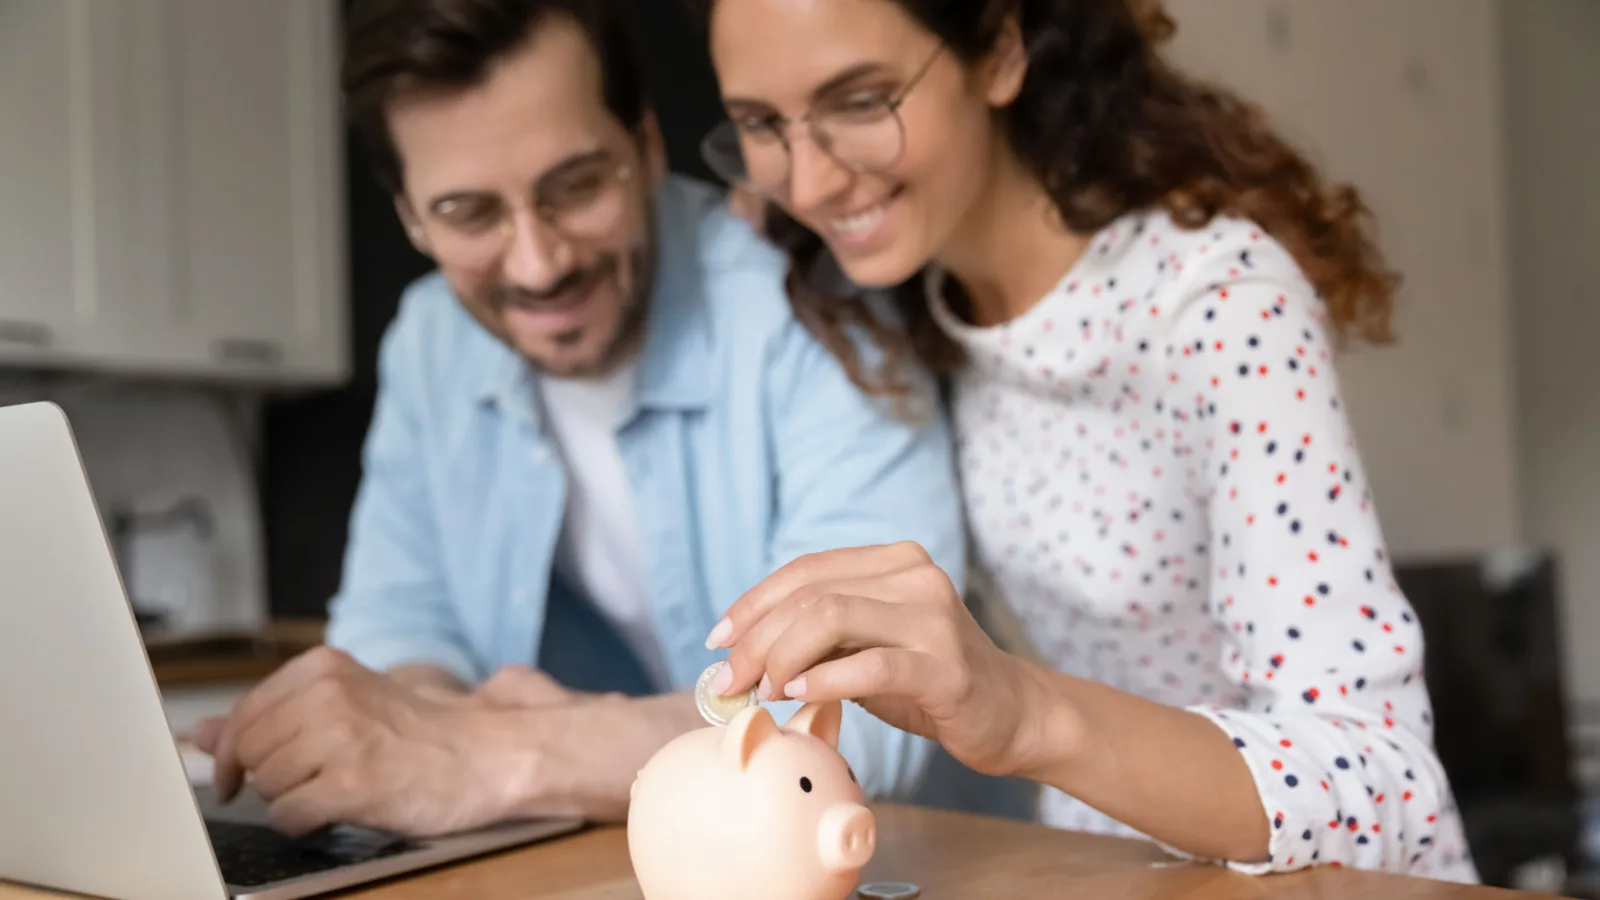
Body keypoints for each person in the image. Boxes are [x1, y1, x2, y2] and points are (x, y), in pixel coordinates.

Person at [693, 0, 1479, 883]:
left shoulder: (1216, 306)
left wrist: (1027, 712)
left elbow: (1388, 780)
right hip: (1105, 865)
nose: (807, 184)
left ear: (998, 50)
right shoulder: (910, 303)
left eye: (863, 100)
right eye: (763, 123)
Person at [191, 0, 966, 839]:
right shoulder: (430, 341)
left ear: (647, 143)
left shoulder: (807, 296)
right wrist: (405, 736)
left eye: (576, 186)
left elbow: (873, 706)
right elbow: (400, 625)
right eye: (469, 213)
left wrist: (496, 756)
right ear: (411, 215)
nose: (539, 263)